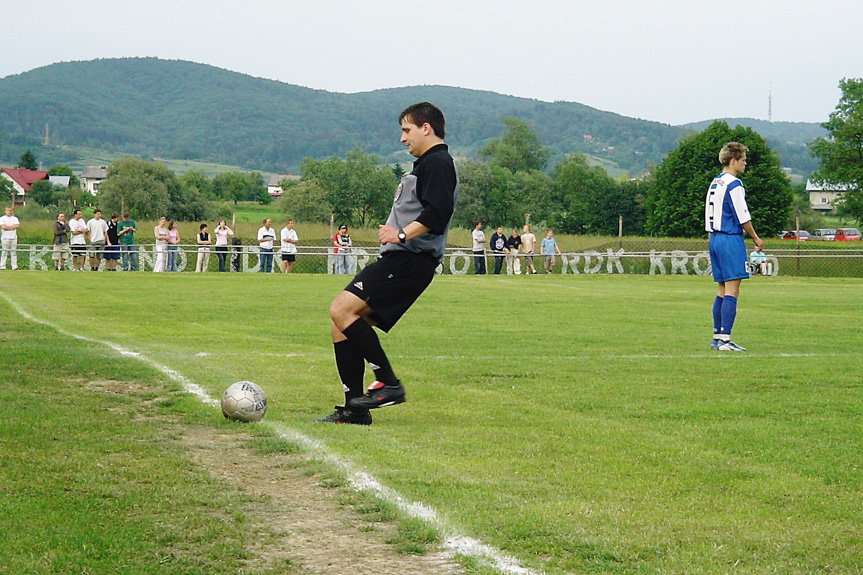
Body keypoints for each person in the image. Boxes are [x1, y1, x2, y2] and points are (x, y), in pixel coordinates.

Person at [316, 101, 458, 425]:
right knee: (341, 326)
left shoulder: (438, 162)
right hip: (401, 258)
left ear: (426, 128)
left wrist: (401, 235)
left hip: (410, 259)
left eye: (406, 130)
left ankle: (389, 383)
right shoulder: (425, 165)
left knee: (340, 309)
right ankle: (355, 408)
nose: (402, 138)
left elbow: (438, 213)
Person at [705, 141, 763, 352]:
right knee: (733, 288)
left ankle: (717, 336)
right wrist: (755, 238)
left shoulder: (715, 182)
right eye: (743, 160)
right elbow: (742, 216)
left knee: (722, 288)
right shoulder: (734, 184)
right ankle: (725, 341)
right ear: (733, 160)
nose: (745, 164)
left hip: (714, 238)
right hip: (729, 239)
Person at [0, 206, 20, 270]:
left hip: (13, 237)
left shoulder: (15, 218)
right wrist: (12, 227)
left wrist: (8, 227)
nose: (9, 212)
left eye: (10, 210)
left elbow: (17, 225)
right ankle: (2, 266)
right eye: (7, 210)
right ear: (5, 211)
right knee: (4, 252)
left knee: (13, 252)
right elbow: (3, 227)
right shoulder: (2, 218)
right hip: (5, 237)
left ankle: (14, 266)